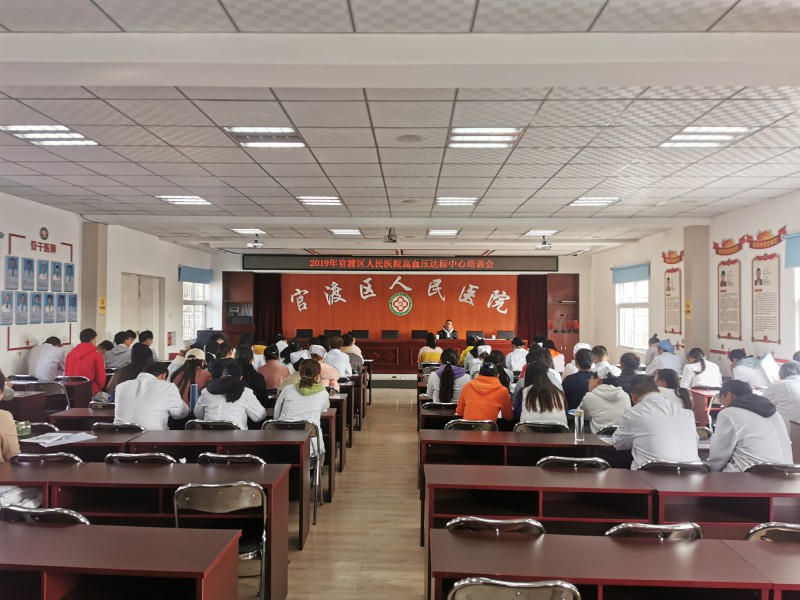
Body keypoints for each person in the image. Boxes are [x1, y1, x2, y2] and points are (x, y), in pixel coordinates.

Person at [612, 375, 700, 470]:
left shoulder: (633, 413)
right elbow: (695, 442)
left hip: (652, 475)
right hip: (693, 474)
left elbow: (618, 443)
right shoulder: (687, 414)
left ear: (634, 397)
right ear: (658, 391)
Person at [708, 380, 792, 472]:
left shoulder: (729, 413)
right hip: (787, 474)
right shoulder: (775, 413)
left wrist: (709, 470)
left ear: (728, 395)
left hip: (753, 476)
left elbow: (718, 457)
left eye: (722, 400)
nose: (722, 405)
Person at [274, 359, 331, 456]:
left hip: (283, 445)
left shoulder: (287, 389)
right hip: (310, 448)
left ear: (300, 373)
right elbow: (324, 409)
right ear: (317, 375)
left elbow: (276, 414)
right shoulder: (323, 393)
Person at [114, 362, 188, 430]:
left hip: (120, 436)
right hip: (152, 437)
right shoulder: (167, 386)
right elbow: (181, 413)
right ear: (164, 376)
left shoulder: (121, 386)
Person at [195, 363, 266, 430]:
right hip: (237, 437)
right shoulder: (246, 392)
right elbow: (259, 416)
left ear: (221, 377)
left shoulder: (206, 391)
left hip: (208, 437)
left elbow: (198, 414)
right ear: (241, 378)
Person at [579, 368, 631, 433]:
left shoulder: (590, 397)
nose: (588, 382)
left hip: (598, 438)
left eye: (590, 379)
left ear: (598, 380)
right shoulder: (625, 395)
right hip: (621, 437)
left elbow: (583, 415)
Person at [65, 328, 106, 397]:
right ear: (91, 340)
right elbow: (100, 380)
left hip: (70, 392)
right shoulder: (97, 356)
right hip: (90, 391)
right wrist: (96, 389)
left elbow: (66, 374)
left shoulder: (69, 355)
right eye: (95, 339)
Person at [762, 361, 800, 431]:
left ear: (781, 373)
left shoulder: (779, 385)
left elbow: (762, 405)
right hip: (796, 431)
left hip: (784, 431)